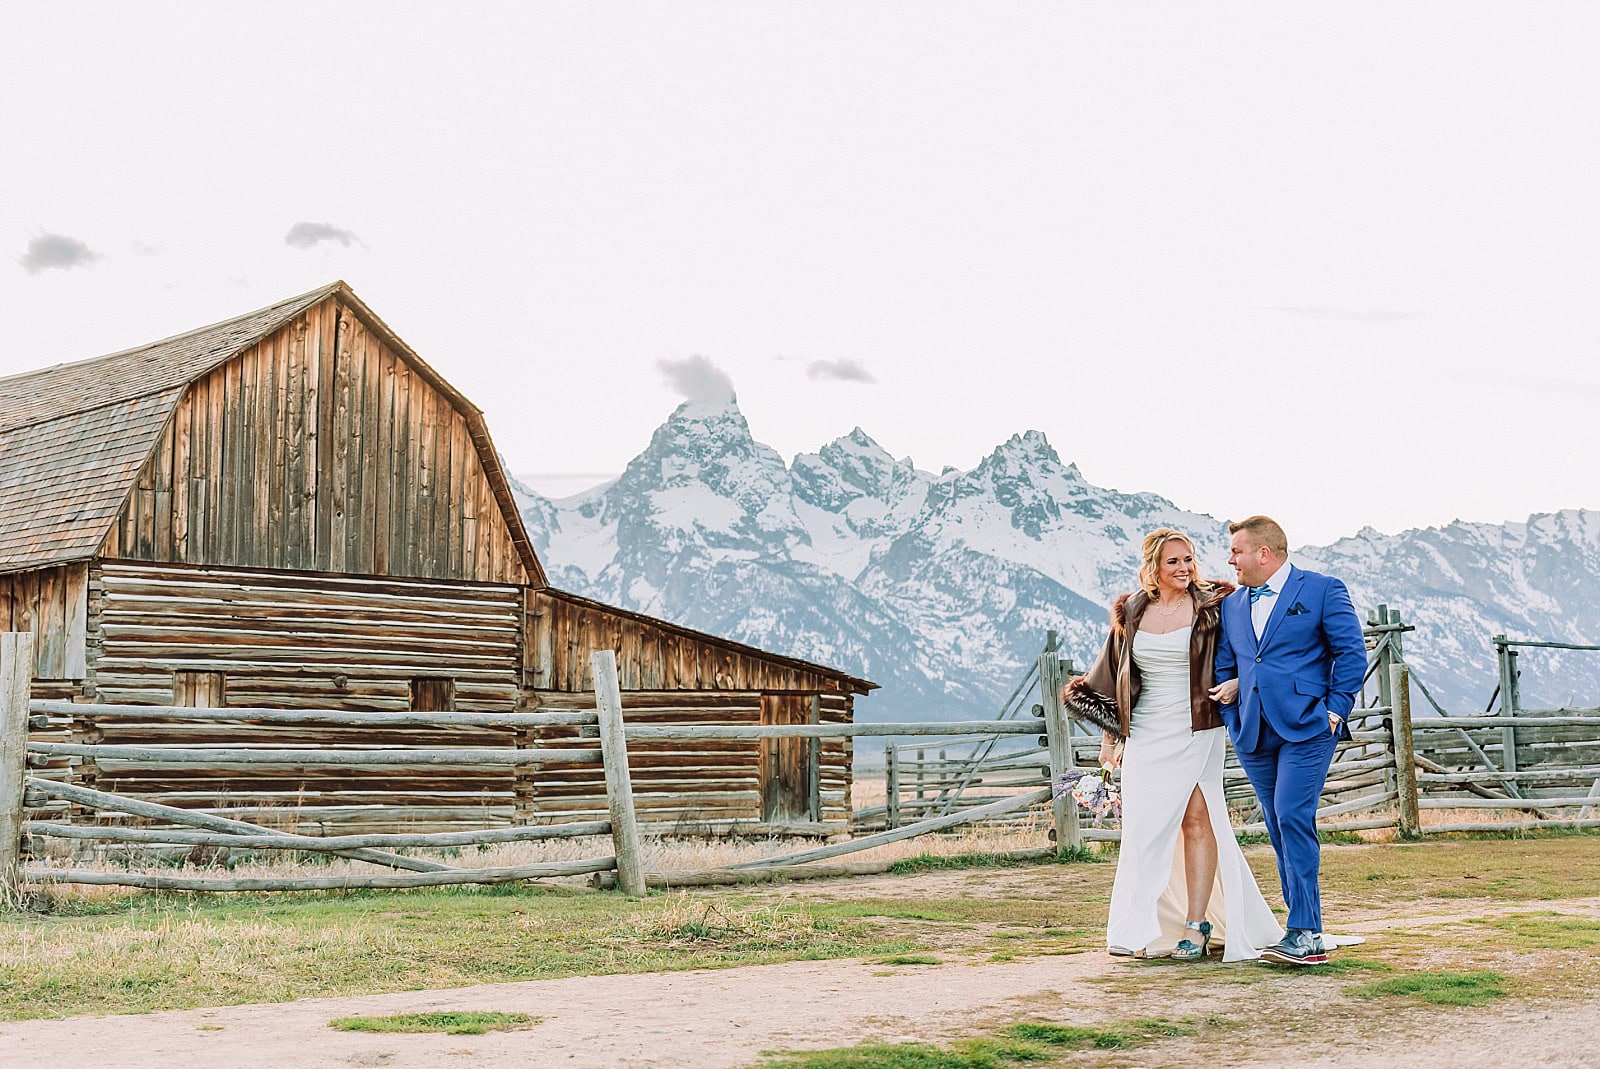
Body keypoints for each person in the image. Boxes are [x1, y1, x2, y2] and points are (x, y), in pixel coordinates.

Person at [1064, 528, 1284, 962]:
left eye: (1189, 559)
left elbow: (1251, 653)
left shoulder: (1214, 606)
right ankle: (1140, 924)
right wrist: (1111, 739)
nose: (1184, 568)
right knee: (1145, 828)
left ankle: (1196, 924)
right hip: (1145, 732)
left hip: (1197, 727)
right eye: (1173, 562)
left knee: (1198, 820)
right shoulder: (1132, 611)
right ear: (1153, 568)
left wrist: (1240, 684)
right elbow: (1114, 679)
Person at [1209, 515, 1366, 966]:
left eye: (1237, 551)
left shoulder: (1321, 590)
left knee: (1292, 815)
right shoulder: (1234, 605)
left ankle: (1304, 931)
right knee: (1278, 827)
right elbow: (1229, 663)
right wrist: (1231, 709)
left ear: (1265, 552)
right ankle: (1305, 929)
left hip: (1309, 726)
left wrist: (1334, 711)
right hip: (1253, 730)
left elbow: (1351, 653)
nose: (1230, 559)